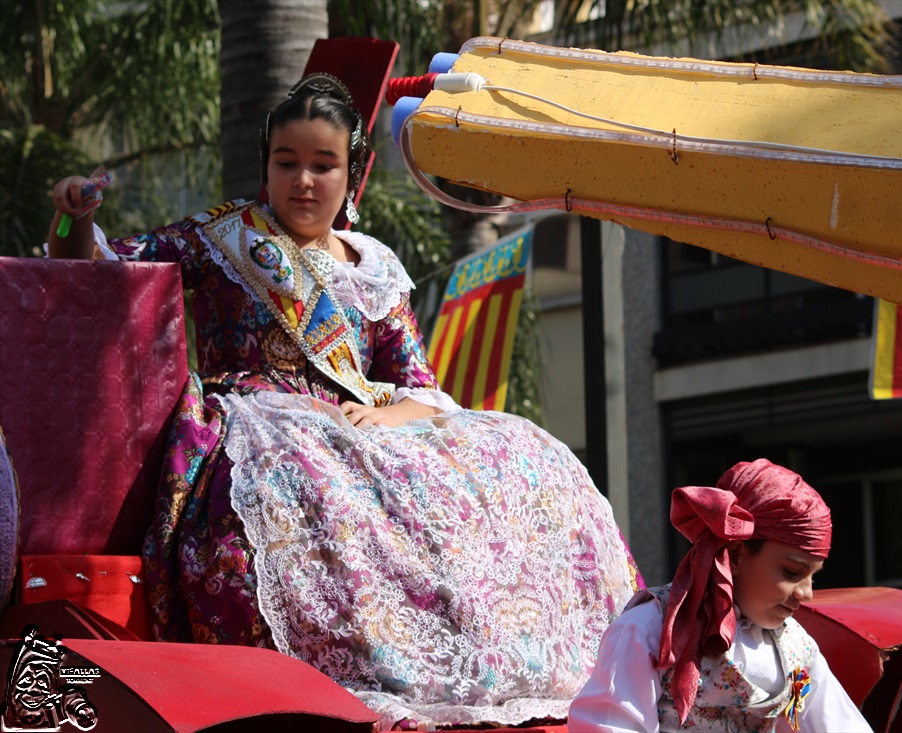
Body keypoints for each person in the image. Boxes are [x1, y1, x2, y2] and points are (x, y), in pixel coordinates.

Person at [49, 72, 639, 731]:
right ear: (266, 166)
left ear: (352, 171)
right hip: (260, 420)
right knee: (300, 475)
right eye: (287, 162)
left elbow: (420, 386)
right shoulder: (220, 240)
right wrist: (77, 216)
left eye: (323, 165)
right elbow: (99, 267)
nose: (304, 180)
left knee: (522, 446)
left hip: (368, 422)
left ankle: (514, 661)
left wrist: (385, 416)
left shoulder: (374, 267)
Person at [568, 459, 871, 733]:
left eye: (813, 577)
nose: (806, 594)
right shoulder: (648, 630)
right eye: (792, 572)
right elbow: (610, 727)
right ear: (735, 555)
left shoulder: (797, 648)